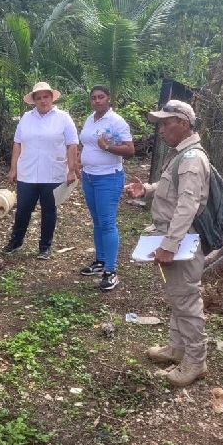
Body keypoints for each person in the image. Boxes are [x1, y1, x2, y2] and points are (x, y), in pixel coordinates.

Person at [124, 99, 210, 387]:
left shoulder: (191, 160)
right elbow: (172, 187)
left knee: (185, 298)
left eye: (165, 123)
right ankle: (177, 347)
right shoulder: (180, 156)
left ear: (183, 124)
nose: (160, 129)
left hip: (182, 240)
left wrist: (170, 244)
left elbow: (187, 205)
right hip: (175, 238)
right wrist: (147, 190)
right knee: (177, 295)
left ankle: (196, 360)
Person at [2, 81, 78, 259]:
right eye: (39, 98)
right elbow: (17, 144)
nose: (43, 100)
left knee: (49, 210)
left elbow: (72, 144)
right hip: (27, 171)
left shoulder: (63, 118)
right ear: (34, 100)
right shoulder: (26, 118)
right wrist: (13, 168)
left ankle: (45, 246)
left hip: (53, 172)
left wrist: (71, 170)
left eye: (46, 97)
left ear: (51, 98)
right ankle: (16, 241)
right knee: (22, 209)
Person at [77, 85, 135, 291]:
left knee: (108, 223)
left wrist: (107, 147)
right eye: (93, 98)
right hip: (89, 177)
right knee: (97, 221)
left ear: (108, 99)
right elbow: (87, 145)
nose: (97, 101)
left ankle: (111, 271)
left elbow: (130, 150)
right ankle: (100, 261)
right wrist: (80, 161)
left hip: (108, 178)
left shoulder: (116, 121)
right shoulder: (90, 119)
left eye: (101, 97)